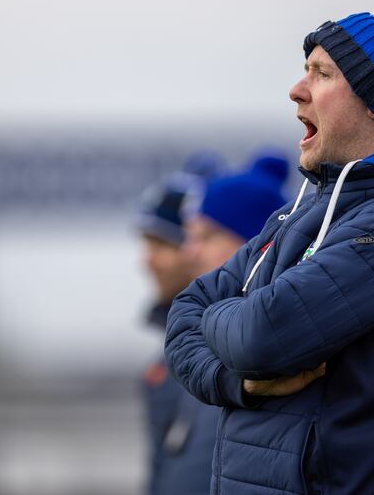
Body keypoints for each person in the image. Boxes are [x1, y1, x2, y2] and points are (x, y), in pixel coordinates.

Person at [165, 11, 374, 495]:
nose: (296, 89)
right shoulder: (302, 211)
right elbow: (184, 313)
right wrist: (239, 384)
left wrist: (229, 316)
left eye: (322, 73)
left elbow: (260, 335)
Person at [136, 151, 290, 495]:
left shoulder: (277, 348)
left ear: (254, 245)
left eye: (204, 237)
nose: (189, 252)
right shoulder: (191, 349)